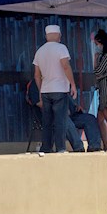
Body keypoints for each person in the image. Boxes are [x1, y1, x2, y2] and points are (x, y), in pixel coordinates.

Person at [34, 24, 77, 153]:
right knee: (60, 120)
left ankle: (46, 148)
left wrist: (41, 90)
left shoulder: (39, 51)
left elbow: (36, 75)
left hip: (46, 90)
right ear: (58, 35)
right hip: (60, 89)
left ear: (46, 36)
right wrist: (72, 84)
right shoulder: (61, 48)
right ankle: (60, 148)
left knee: (47, 121)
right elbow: (65, 66)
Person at [27, 79, 102, 152]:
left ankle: (94, 147)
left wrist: (75, 107)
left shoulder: (57, 81)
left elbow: (67, 99)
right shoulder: (35, 85)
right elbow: (39, 104)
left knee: (90, 119)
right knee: (63, 118)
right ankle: (78, 148)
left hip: (71, 115)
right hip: (52, 117)